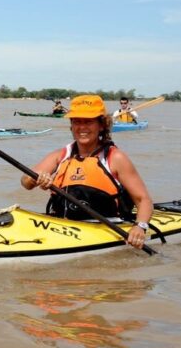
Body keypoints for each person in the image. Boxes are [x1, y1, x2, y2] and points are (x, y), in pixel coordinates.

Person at [20, 95, 153, 250]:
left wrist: (140, 227)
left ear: (101, 125)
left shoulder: (115, 157)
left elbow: (144, 200)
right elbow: (25, 182)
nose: (82, 127)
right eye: (77, 121)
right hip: (61, 227)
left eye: (88, 121)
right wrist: (36, 179)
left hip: (105, 229)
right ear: (71, 126)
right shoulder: (61, 155)